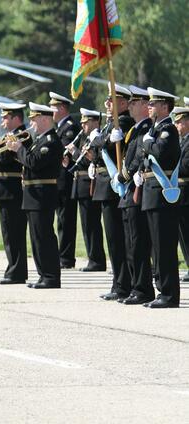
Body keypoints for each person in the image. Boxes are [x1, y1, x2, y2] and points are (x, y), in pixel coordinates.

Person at [7, 103, 63, 288]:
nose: (31, 122)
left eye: (34, 119)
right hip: (33, 194)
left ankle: (51, 276)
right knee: (36, 238)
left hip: (42, 194)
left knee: (44, 236)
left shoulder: (51, 141)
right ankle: (43, 274)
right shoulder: (39, 140)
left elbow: (34, 162)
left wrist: (19, 149)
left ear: (45, 119)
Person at [88, 84, 134, 301]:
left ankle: (123, 284)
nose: (107, 103)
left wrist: (103, 141)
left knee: (118, 239)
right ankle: (119, 282)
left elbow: (112, 146)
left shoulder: (123, 122)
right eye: (107, 100)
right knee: (113, 239)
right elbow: (99, 152)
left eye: (112, 100)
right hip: (105, 186)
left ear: (123, 103)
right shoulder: (110, 124)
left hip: (115, 187)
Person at [138, 87, 181, 308]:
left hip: (161, 194)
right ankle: (161, 290)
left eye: (153, 104)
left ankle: (169, 294)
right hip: (150, 191)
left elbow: (161, 152)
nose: (149, 106)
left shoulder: (169, 129)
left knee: (164, 247)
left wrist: (146, 143)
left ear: (165, 106)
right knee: (156, 246)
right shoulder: (155, 130)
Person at [112, 85, 154, 304]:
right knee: (131, 245)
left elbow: (139, 157)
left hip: (136, 191)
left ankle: (143, 289)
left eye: (134, 102)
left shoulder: (146, 127)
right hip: (129, 193)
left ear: (146, 106)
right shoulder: (135, 129)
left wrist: (124, 175)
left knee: (138, 245)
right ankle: (135, 288)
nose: (130, 106)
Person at [0, 102, 28, 285]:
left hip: (13, 190)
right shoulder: (9, 136)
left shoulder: (23, 136)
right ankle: (13, 268)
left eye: (6, 117)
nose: (2, 120)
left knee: (14, 233)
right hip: (5, 190)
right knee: (8, 233)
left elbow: (3, 159)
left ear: (16, 118)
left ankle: (17, 272)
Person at [68, 109, 107, 273]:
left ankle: (96, 260)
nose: (83, 124)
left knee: (92, 224)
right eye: (82, 121)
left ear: (95, 122)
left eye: (86, 121)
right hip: (81, 184)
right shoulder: (85, 137)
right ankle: (93, 258)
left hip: (89, 185)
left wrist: (74, 152)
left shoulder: (96, 138)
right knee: (86, 225)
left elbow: (87, 160)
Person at [49, 92, 81, 269]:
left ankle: (66, 257)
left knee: (66, 220)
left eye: (53, 108)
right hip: (58, 179)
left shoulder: (69, 127)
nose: (51, 112)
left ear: (61, 108)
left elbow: (63, 152)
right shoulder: (59, 128)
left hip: (65, 180)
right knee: (61, 219)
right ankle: (63, 255)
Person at [173, 106, 189, 282]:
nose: (176, 125)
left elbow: (185, 167)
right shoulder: (181, 141)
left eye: (179, 122)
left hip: (186, 192)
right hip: (180, 193)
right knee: (183, 233)